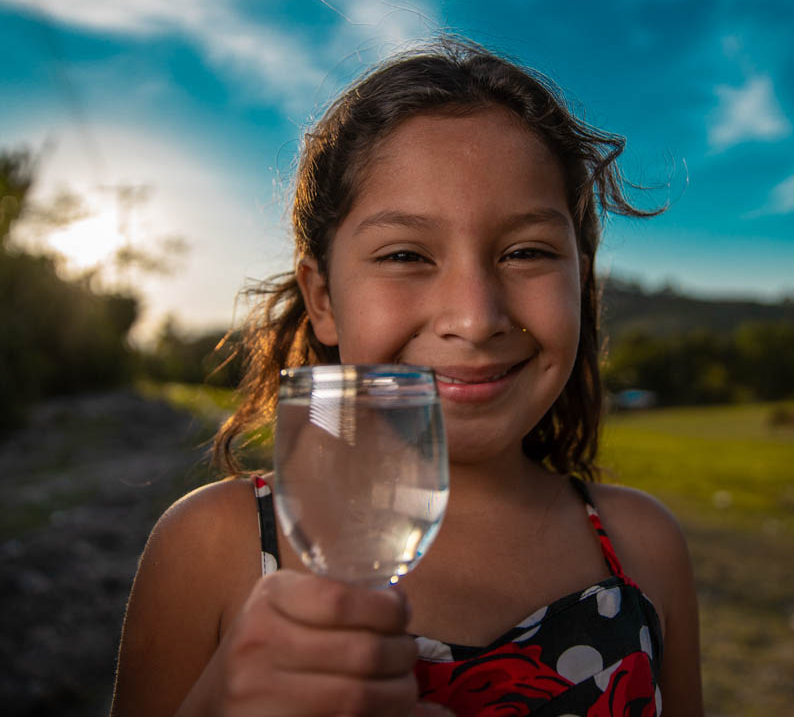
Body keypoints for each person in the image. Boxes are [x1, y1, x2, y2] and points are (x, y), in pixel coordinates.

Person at [110, 36, 703, 717]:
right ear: (324, 298)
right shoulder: (214, 547)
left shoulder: (642, 547)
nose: (476, 318)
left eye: (526, 251)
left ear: (582, 280)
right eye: (404, 254)